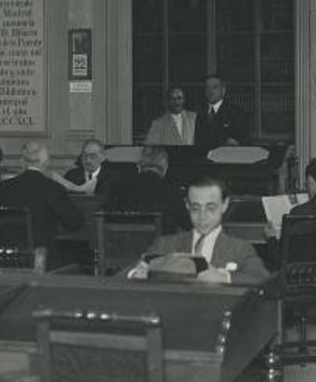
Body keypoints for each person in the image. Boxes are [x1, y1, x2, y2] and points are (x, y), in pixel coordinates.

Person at [126, 176, 269, 285]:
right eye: (195, 208)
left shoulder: (240, 249)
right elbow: (120, 276)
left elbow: (264, 281)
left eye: (210, 208)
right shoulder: (165, 244)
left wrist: (225, 277)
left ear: (225, 205)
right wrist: (135, 274)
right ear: (187, 205)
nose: (202, 216)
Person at [0, 142, 84, 254]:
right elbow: (75, 222)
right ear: (46, 162)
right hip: (41, 259)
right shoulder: (53, 188)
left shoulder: (3, 187)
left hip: (7, 257)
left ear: (22, 162)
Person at [102, 146, 191, 234]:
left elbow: (103, 219)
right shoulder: (173, 192)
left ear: (139, 166)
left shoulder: (117, 189)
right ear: (164, 165)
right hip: (161, 247)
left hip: (118, 246)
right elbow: (188, 224)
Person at [194, 74, 251, 149]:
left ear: (223, 91)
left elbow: (246, 140)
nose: (210, 91)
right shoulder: (198, 112)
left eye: (214, 87)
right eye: (207, 88)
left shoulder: (236, 112)